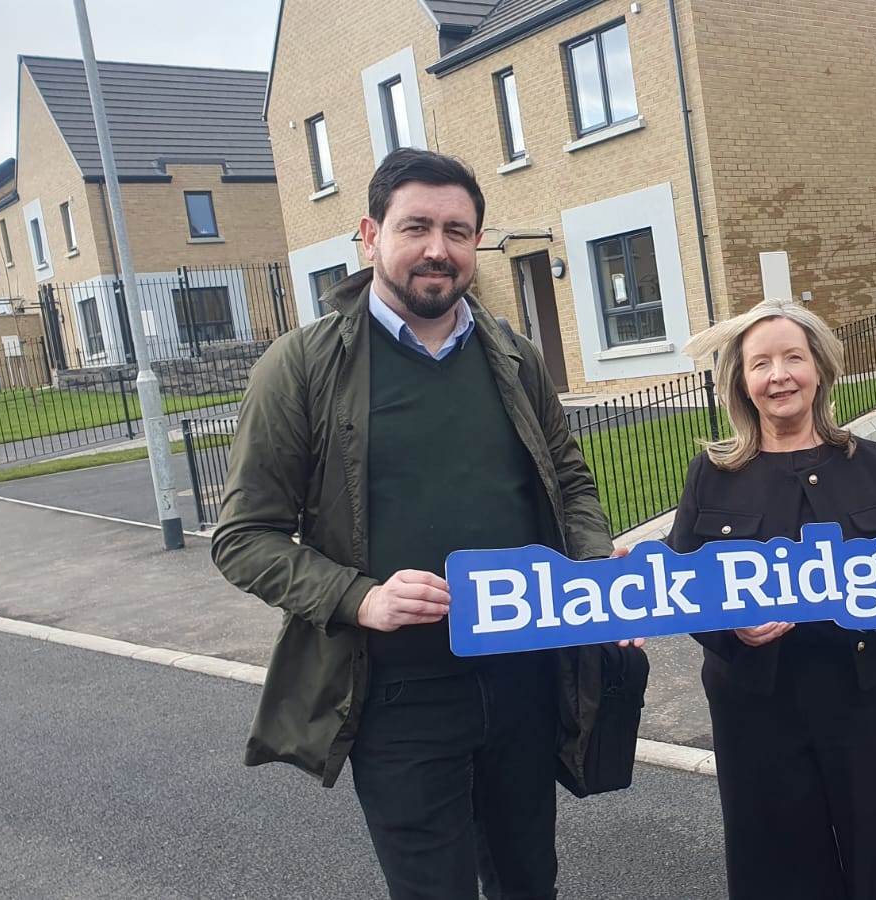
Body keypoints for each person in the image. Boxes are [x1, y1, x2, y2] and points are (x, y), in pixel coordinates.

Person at [211, 148, 617, 900]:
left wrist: (594, 571)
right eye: (417, 226)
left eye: (458, 231)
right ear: (370, 236)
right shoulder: (300, 366)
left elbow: (570, 482)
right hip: (399, 694)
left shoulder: (513, 357)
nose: (439, 248)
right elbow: (243, 539)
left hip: (523, 675)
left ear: (476, 244)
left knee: (531, 884)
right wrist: (359, 597)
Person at [666, 298, 876, 899]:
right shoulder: (712, 474)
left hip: (874, 704)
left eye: (793, 358)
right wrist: (730, 627)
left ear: (818, 368)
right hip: (760, 712)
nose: (778, 376)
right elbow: (683, 583)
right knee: (778, 868)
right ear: (741, 383)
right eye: (760, 364)